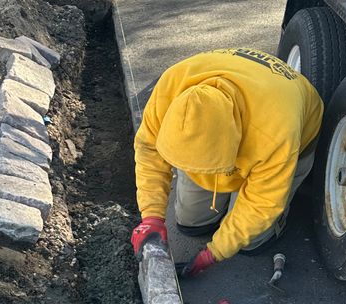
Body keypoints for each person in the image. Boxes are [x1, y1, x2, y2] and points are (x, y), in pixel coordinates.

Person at [130, 48, 323, 276]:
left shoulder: (277, 130)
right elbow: (149, 151)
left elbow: (262, 203)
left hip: (288, 128)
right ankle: (227, 194)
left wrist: (213, 254)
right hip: (244, 98)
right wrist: (151, 217)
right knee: (191, 224)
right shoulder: (169, 91)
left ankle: (273, 211)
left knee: (252, 242)